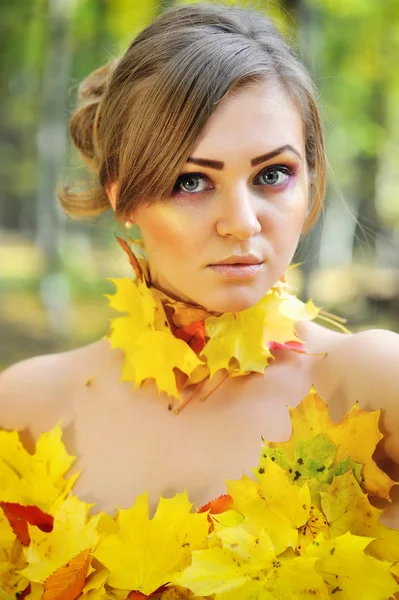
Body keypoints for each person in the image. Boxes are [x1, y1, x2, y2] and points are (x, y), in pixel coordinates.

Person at [1, 1, 399, 530]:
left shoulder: (371, 389)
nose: (241, 223)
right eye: (191, 181)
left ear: (310, 181)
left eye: (273, 174)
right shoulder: (27, 408)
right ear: (123, 196)